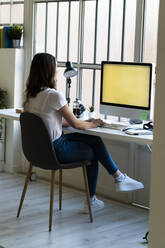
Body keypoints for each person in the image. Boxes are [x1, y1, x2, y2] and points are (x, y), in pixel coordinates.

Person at [23, 53, 144, 212]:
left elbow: (55, 122)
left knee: (94, 141)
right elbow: (76, 125)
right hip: (57, 150)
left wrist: (87, 123)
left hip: (37, 152)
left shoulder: (30, 96)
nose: (57, 72)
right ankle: (96, 196)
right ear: (49, 71)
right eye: (56, 68)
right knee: (93, 151)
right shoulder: (53, 95)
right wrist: (93, 123)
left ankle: (118, 178)